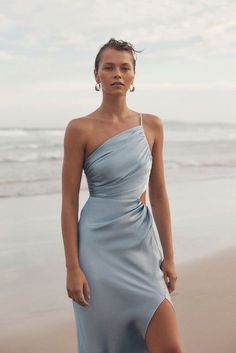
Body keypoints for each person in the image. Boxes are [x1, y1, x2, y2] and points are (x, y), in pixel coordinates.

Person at [61, 38, 184, 353]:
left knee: (169, 346)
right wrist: (72, 268)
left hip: (142, 245)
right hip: (97, 250)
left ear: (133, 77)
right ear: (96, 75)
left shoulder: (152, 125)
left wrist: (168, 256)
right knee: (109, 343)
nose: (117, 73)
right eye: (109, 67)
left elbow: (158, 194)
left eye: (124, 68)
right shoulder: (79, 129)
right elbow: (68, 203)